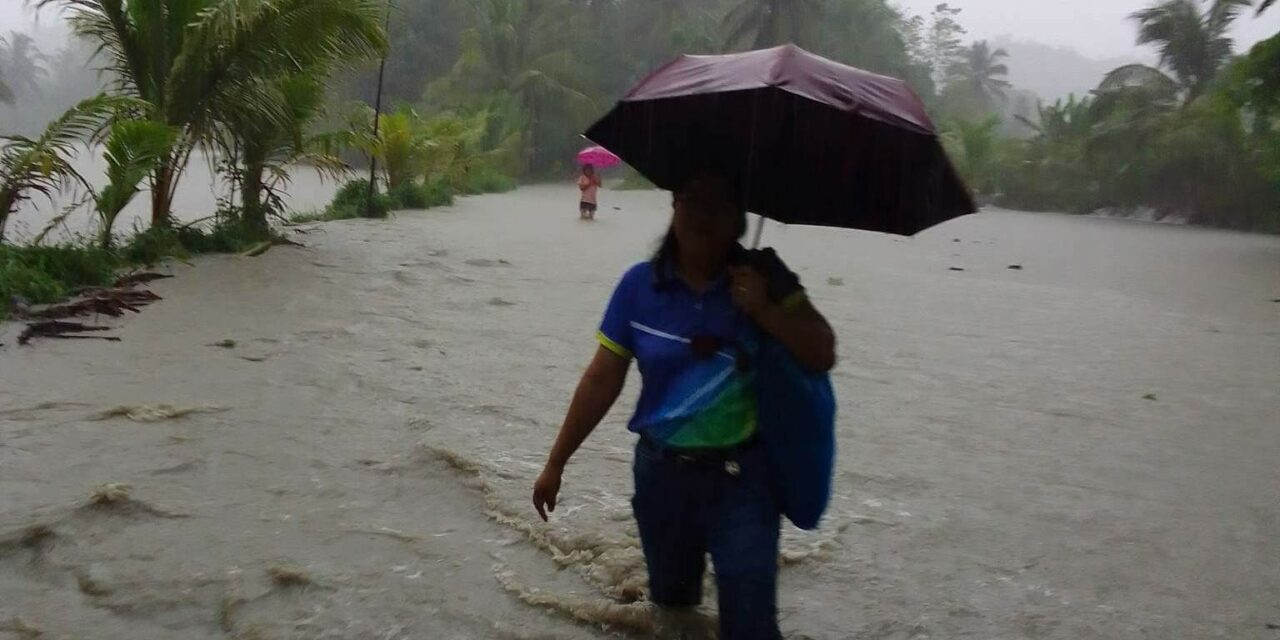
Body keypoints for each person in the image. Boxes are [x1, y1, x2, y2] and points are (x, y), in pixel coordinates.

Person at [532, 173, 837, 639]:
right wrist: (556, 463)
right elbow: (601, 378)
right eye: (694, 201)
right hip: (662, 478)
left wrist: (766, 312)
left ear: (738, 219)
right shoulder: (638, 286)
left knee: (751, 625)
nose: (703, 217)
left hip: (744, 482)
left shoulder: (767, 280)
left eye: (719, 205)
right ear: (674, 207)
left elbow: (822, 352)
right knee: (672, 616)